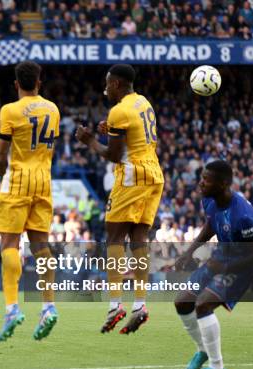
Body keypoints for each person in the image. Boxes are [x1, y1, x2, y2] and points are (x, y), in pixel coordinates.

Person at [76, 64, 164, 334]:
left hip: (130, 175)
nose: (105, 87)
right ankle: (140, 304)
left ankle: (115, 304)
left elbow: (114, 155)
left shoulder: (119, 110)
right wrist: (110, 131)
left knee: (114, 239)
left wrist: (90, 140)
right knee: (139, 240)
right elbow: (133, 135)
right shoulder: (143, 103)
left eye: (107, 82)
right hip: (154, 174)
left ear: (116, 83)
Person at [174, 161, 253, 369]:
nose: (200, 183)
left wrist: (223, 266)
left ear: (223, 183)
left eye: (206, 179)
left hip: (242, 265)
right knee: (182, 301)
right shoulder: (210, 199)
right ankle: (203, 350)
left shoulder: (243, 216)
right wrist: (190, 251)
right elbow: (211, 224)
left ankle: (217, 368)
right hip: (222, 257)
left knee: (203, 304)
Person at [0, 60, 60, 342]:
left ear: (16, 83)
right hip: (44, 180)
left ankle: (12, 309)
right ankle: (48, 306)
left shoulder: (9, 110)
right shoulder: (53, 109)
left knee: (10, 244)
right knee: (41, 246)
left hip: (18, 178)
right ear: (39, 82)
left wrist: (5, 175)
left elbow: (0, 156)